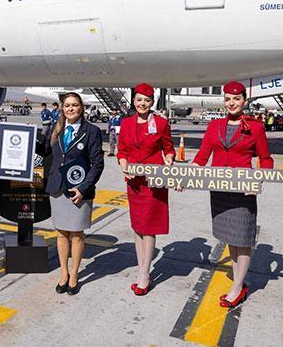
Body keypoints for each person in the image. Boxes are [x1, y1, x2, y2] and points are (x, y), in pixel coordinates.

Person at [191, 81, 273, 308]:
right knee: (231, 236)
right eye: (227, 99)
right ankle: (239, 281)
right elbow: (202, 156)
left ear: (244, 101)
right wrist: (186, 176)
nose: (231, 103)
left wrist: (258, 181)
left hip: (243, 191)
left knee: (243, 238)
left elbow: (266, 159)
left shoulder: (256, 127)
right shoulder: (214, 126)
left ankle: (238, 286)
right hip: (219, 190)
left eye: (236, 99)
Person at [43, 92, 105, 295]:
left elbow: (97, 164)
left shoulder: (91, 131)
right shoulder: (56, 128)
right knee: (61, 233)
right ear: (62, 108)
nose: (71, 108)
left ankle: (74, 275)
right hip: (58, 188)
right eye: (67, 105)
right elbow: (45, 151)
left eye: (75, 105)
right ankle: (64, 273)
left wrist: (83, 188)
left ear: (81, 108)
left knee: (77, 235)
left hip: (79, 191)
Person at [117, 83, 175, 296]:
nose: (143, 104)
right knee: (137, 226)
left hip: (153, 183)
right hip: (134, 183)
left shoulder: (160, 123)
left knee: (148, 227)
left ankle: (144, 274)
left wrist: (169, 159)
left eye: (147, 100)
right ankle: (142, 269)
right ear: (134, 101)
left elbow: (169, 149)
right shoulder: (126, 123)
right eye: (139, 100)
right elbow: (122, 150)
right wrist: (123, 164)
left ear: (152, 102)